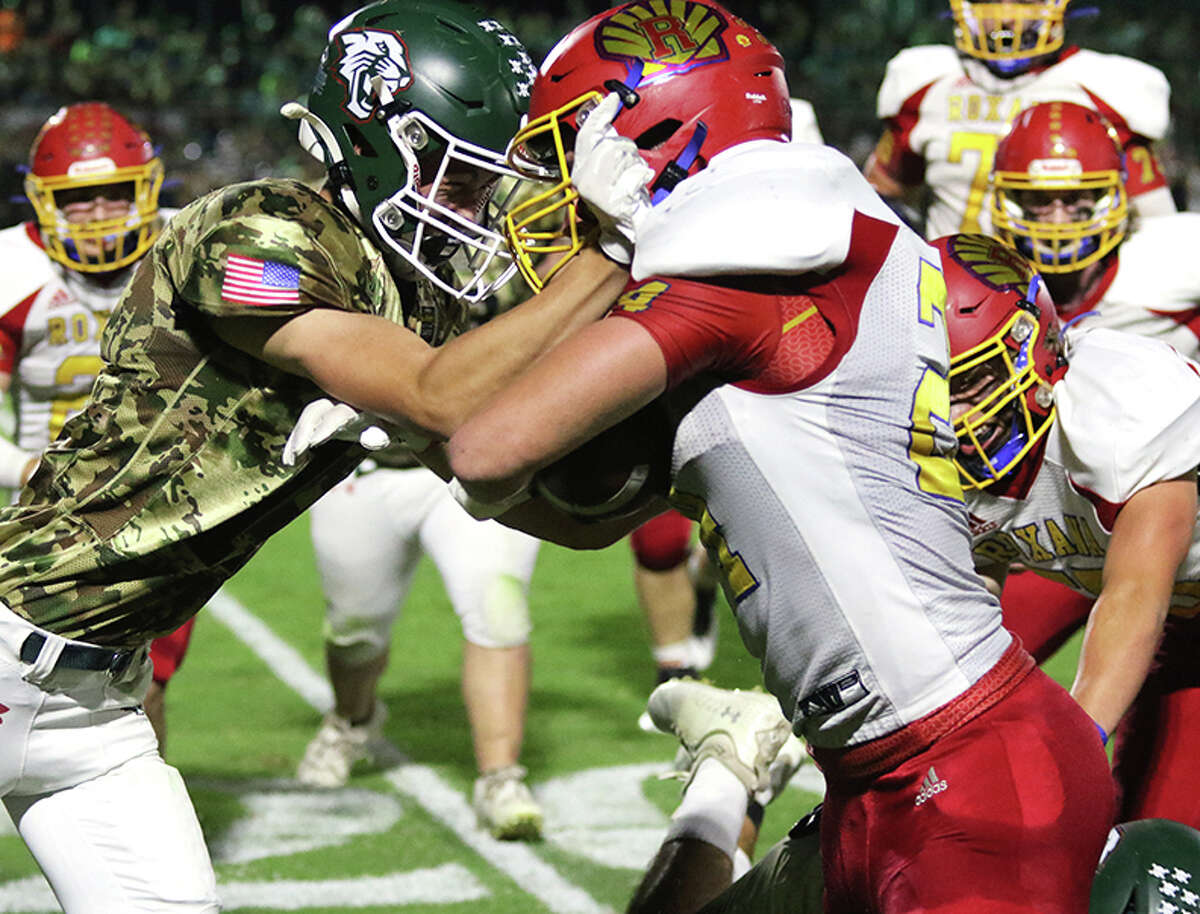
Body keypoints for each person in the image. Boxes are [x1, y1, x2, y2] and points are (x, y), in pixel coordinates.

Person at [448, 2, 1115, 911]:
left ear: (659, 130)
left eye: (574, 150)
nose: (557, 191)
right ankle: (729, 771)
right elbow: (574, 512)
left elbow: (487, 450)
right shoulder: (783, 252)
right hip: (875, 767)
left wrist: (601, 255)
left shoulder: (754, 272)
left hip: (964, 759)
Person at [0, 1, 627, 909]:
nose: (475, 211)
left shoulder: (424, 303)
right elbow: (438, 395)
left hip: (99, 711)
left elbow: (519, 492)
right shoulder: (258, 226)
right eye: (457, 180)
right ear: (379, 140)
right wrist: (611, 252)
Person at [938, 230, 1200, 830]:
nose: (950, 417)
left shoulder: (1120, 408)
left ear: (1035, 355)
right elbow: (955, 614)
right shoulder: (918, 449)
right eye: (930, 386)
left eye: (970, 383)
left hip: (1161, 596)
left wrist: (1067, 752)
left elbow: (1137, 595)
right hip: (1172, 613)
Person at [0, 101, 197, 755]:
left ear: (146, 189)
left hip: (158, 513)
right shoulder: (12, 270)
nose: (99, 214)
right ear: (42, 201)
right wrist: (30, 471)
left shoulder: (194, 242)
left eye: (115, 195)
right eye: (79, 200)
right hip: (36, 518)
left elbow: (288, 296)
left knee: (137, 692)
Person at [297, 408, 545, 842]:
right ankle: (351, 720)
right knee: (355, 630)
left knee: (498, 611)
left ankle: (500, 778)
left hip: (474, 461)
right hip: (362, 462)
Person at [864, 0, 1176, 238]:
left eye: (1024, 0)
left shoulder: (1104, 90)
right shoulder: (926, 83)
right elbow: (880, 195)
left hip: (1061, 296)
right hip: (948, 294)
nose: (1007, 16)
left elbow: (1158, 229)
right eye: (990, 1)